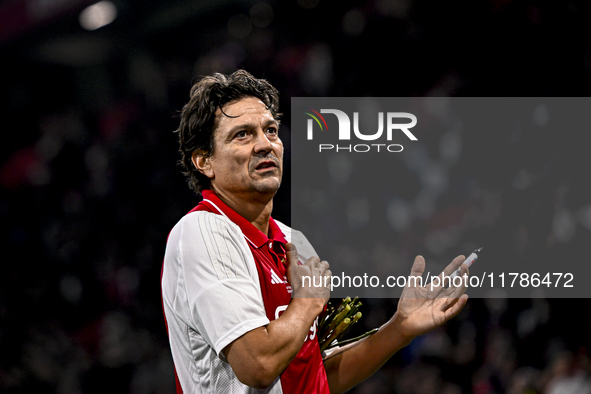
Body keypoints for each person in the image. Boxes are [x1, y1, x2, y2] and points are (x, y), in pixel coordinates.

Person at [161, 69, 470, 394]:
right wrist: (307, 303)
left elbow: (315, 376)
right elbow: (259, 366)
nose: (265, 144)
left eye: (270, 131)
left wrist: (399, 329)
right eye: (243, 135)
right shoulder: (201, 232)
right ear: (204, 161)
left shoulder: (295, 242)